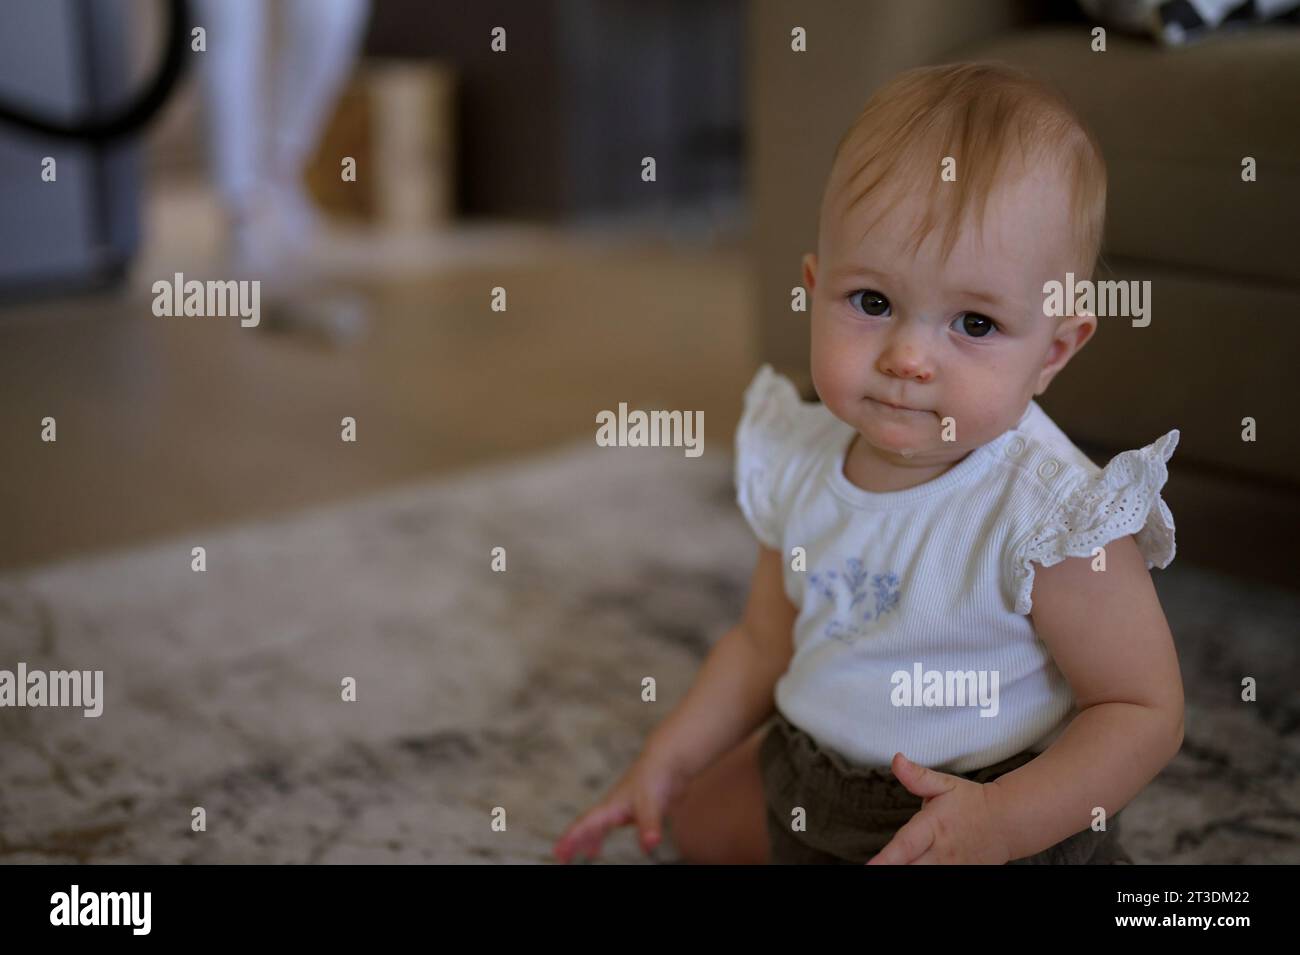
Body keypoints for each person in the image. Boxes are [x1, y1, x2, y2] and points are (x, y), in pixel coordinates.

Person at [554, 62, 1185, 864]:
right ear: (816, 289)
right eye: (874, 303)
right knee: (699, 821)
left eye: (976, 323)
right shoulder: (797, 460)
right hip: (818, 780)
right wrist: (667, 757)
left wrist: (1001, 820)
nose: (909, 357)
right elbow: (760, 643)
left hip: (990, 806)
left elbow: (1141, 708)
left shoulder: (1052, 514)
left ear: (1054, 350)